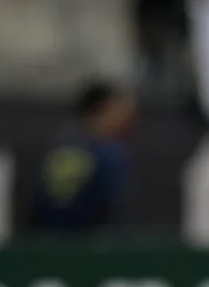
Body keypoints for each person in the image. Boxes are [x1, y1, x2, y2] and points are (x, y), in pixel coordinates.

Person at [31, 81, 136, 234]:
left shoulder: (58, 148)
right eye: (122, 112)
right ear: (101, 110)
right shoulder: (109, 155)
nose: (130, 120)